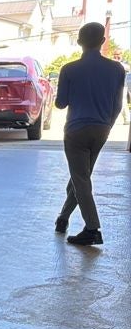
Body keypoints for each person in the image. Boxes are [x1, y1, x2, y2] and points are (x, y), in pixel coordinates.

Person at [54, 22, 126, 245]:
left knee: (80, 179)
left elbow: (60, 103)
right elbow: (117, 105)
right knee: (81, 177)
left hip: (76, 130)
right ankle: (63, 218)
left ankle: (92, 229)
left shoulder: (69, 69)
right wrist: (107, 125)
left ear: (79, 42)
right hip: (102, 129)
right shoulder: (117, 70)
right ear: (102, 41)